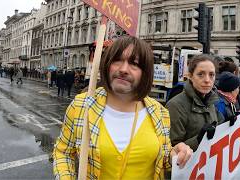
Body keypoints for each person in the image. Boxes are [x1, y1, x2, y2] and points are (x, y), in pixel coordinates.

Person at [53, 36, 192, 179]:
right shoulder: (81, 106)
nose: (124, 69)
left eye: (135, 64)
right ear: (107, 65)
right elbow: (63, 152)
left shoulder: (160, 112)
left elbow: (163, 158)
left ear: (145, 73)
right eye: (117, 60)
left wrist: (174, 155)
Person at [166, 54, 223, 151]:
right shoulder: (175, 106)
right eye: (201, 74)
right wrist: (199, 139)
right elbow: (171, 148)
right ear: (190, 76)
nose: (207, 80)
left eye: (211, 75)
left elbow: (219, 125)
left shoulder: (210, 101)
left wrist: (234, 121)